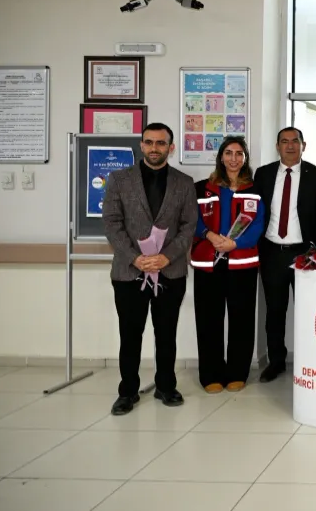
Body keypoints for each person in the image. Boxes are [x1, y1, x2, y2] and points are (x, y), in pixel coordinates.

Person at [102, 123, 197, 415]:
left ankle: (166, 386)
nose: (154, 148)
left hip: (170, 271)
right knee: (130, 335)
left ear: (171, 147)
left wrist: (166, 257)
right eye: (149, 142)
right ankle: (127, 392)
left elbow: (189, 226)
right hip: (129, 272)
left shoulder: (184, 182)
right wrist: (135, 258)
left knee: (166, 334)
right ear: (141, 145)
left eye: (161, 143)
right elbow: (111, 223)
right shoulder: (119, 180)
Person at [254, 127, 316, 383]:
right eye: (284, 141)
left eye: (295, 141)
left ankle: (311, 361)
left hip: (305, 254)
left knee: (308, 310)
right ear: (277, 146)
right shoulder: (263, 174)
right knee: (275, 311)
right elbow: (255, 211)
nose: (290, 146)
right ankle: (276, 361)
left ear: (303, 145)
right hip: (272, 251)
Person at [189, 136, 265, 393]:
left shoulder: (255, 190)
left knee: (242, 319)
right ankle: (210, 374)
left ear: (245, 159)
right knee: (208, 319)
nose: (234, 158)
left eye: (239, 154)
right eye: (229, 153)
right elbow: (192, 219)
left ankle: (237, 372)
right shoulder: (202, 188)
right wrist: (210, 236)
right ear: (221, 157)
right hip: (208, 262)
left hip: (242, 263)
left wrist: (235, 244)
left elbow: (258, 224)